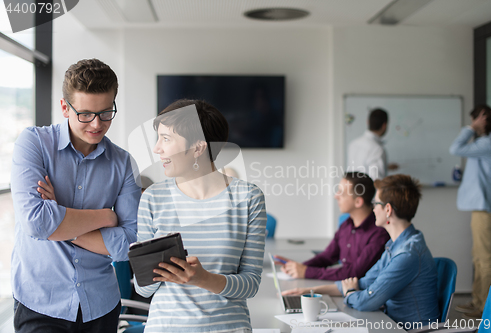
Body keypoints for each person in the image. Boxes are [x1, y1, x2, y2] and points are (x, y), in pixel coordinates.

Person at [10, 59, 142, 332]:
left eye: (106, 113)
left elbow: (129, 243)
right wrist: (105, 217)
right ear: (64, 107)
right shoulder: (33, 143)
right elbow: (36, 223)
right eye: (85, 114)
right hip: (40, 304)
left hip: (101, 305)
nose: (96, 124)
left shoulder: (124, 163)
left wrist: (59, 217)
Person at [134, 99, 267, 332]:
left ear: (198, 148)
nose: (157, 148)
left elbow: (251, 284)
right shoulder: (153, 197)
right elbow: (141, 288)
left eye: (166, 139)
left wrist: (203, 279)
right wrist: (152, 268)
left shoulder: (248, 197)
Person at [283, 175, 439, 327]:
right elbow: (364, 282)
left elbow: (367, 301)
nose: (373, 208)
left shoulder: (406, 254)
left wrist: (350, 292)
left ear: (388, 209)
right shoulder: (395, 244)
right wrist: (311, 291)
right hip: (391, 322)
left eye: (375, 203)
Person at [274, 172, 389, 280]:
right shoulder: (346, 225)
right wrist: (297, 267)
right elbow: (327, 257)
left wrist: (306, 271)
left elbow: (354, 273)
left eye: (341, 193)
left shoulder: (379, 233)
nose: (336, 196)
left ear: (358, 202)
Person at [449, 105, 491, 319]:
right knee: (478, 256)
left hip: (486, 208)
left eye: (476, 120)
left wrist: (470, 128)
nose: (474, 125)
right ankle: (480, 302)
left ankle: (489, 308)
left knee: (484, 258)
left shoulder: (488, 142)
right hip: (489, 205)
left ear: (483, 119)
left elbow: (455, 148)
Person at [347, 108, 398, 180]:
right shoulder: (377, 149)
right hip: (368, 190)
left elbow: (360, 167)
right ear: (384, 125)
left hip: (352, 189)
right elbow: (377, 181)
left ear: (367, 122)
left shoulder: (353, 144)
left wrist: (385, 167)